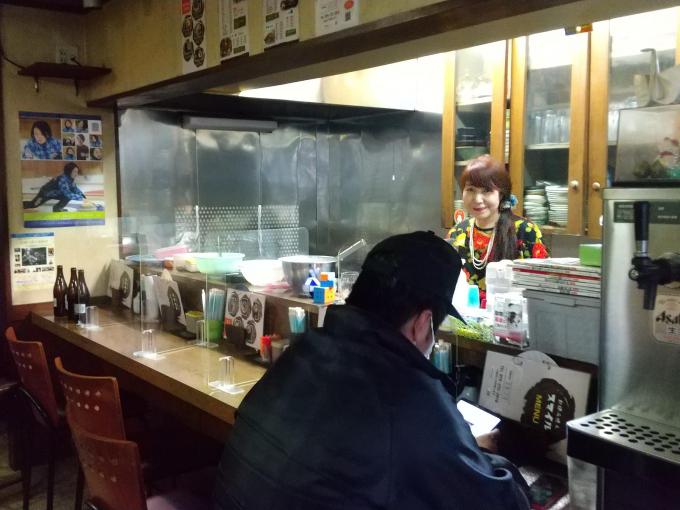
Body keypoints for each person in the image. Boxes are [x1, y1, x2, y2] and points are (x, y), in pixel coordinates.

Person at [214, 231, 530, 510]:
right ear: (423, 324)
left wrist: (459, 451)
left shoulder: (302, 350)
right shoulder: (409, 395)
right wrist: (478, 455)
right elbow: (501, 501)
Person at [447, 155, 548, 303]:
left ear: (501, 194)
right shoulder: (457, 233)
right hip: (465, 317)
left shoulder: (525, 231)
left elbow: (544, 286)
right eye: (470, 190)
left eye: (486, 190)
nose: (477, 199)